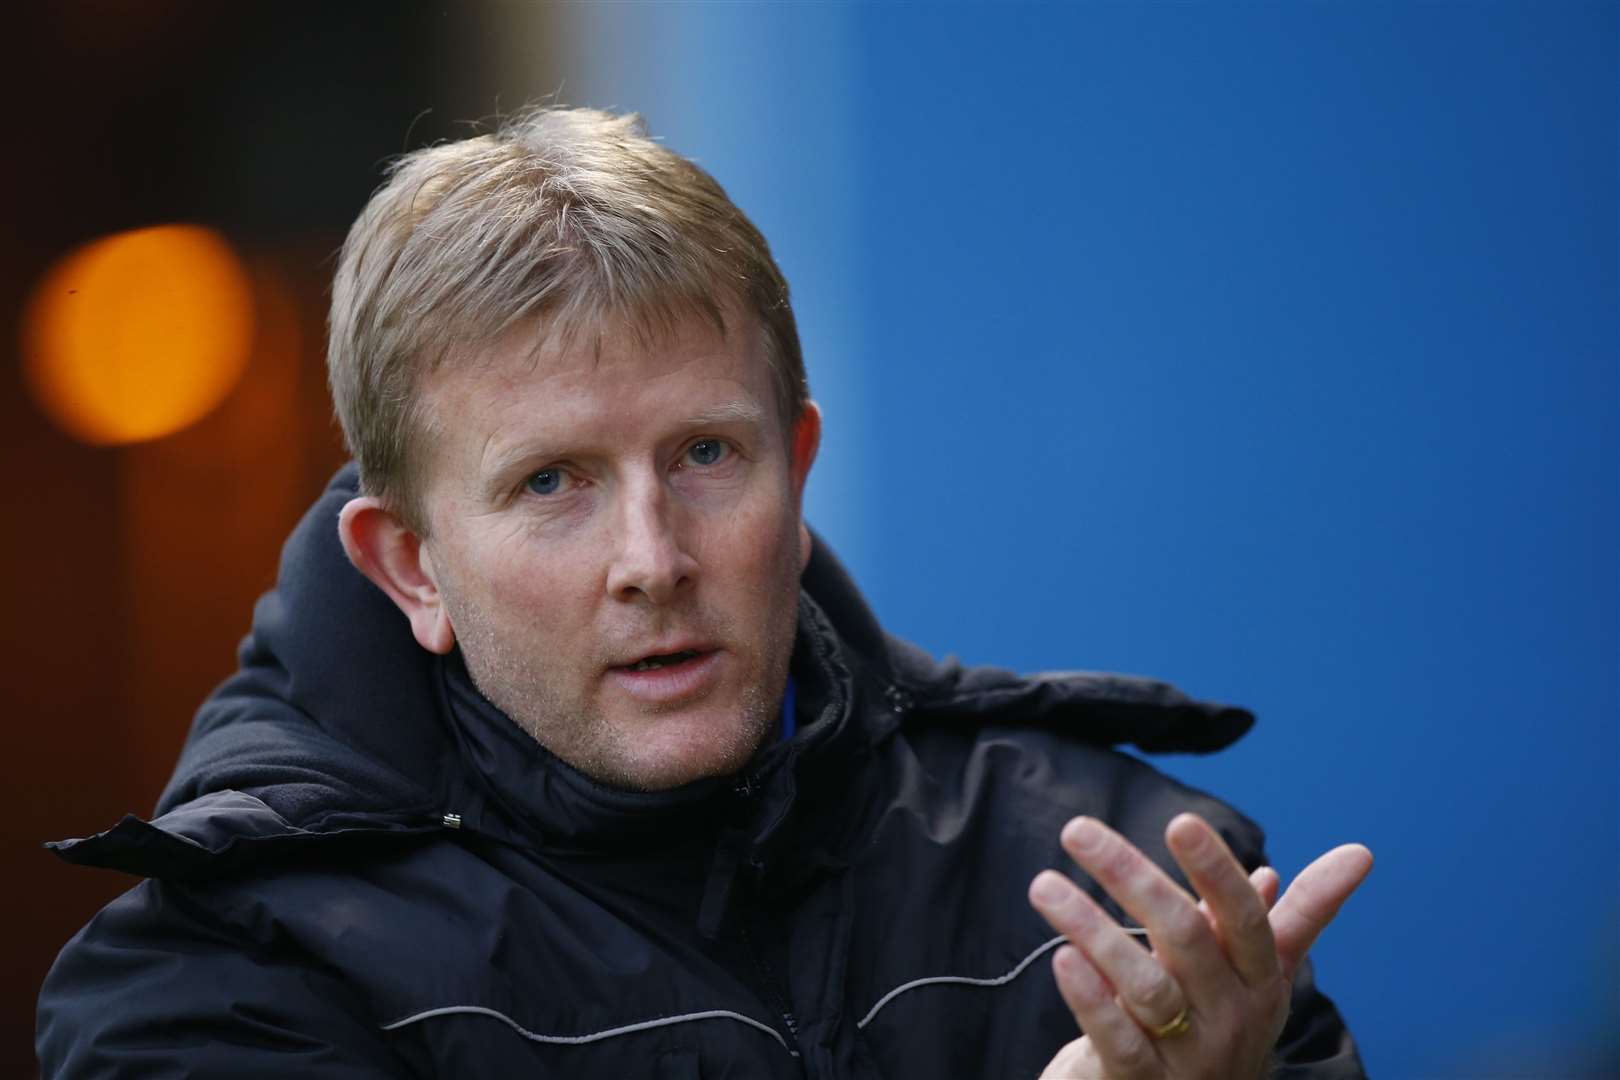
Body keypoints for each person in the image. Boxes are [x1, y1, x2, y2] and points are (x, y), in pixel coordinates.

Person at [37, 107, 1372, 1078]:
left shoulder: (1119, 884)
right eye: (553, 481)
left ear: (795, 475)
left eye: (704, 456)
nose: (653, 557)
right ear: (410, 567)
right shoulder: (225, 988)